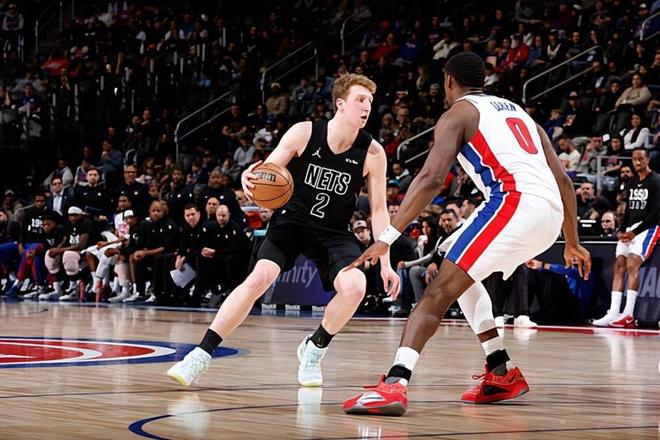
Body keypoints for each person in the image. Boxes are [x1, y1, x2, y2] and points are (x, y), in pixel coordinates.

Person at [342, 52, 590, 416]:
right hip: (550, 217)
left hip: (513, 204)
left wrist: (388, 237)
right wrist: (572, 242)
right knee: (452, 259)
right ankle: (500, 369)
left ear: (448, 80)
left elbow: (430, 179)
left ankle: (395, 384)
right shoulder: (521, 113)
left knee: (437, 291)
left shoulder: (458, 113)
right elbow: (565, 181)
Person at [167, 73, 399, 387]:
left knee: (356, 286)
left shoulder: (373, 153)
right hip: (291, 221)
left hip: (333, 230)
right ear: (340, 104)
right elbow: (269, 170)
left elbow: (379, 210)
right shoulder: (305, 132)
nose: (367, 106)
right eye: (360, 99)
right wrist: (251, 175)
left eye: (370, 101)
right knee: (259, 278)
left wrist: (385, 261)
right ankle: (201, 354)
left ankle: (314, 348)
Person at [591, 148, 659, 328]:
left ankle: (628, 314)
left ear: (648, 160)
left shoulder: (656, 181)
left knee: (632, 263)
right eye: (634, 159)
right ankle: (613, 312)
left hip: (649, 227)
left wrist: (635, 232)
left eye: (640, 159)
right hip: (630, 227)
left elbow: (656, 213)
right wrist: (621, 229)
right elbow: (628, 210)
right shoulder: (632, 182)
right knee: (619, 265)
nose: (637, 162)